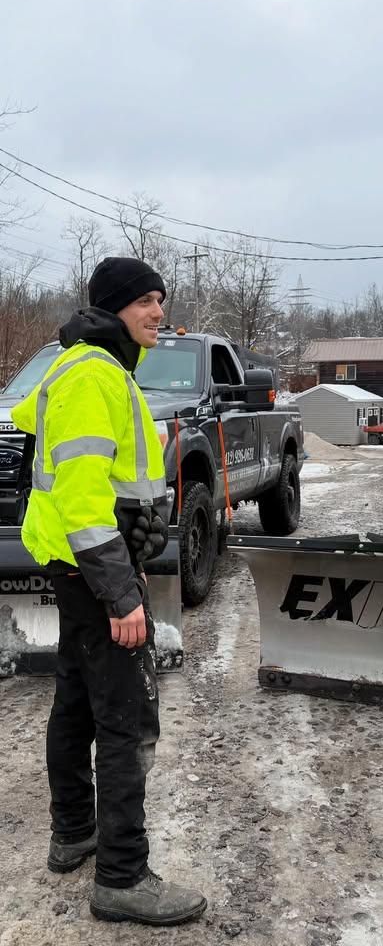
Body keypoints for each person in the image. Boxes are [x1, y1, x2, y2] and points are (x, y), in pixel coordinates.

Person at [11, 257, 207, 925]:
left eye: (161, 299)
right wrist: (123, 594)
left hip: (77, 566)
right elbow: (85, 498)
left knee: (76, 699)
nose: (159, 312)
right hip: (95, 569)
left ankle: (75, 833)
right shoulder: (94, 374)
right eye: (147, 300)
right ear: (116, 306)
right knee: (126, 718)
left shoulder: (89, 367)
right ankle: (122, 875)